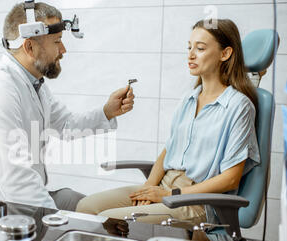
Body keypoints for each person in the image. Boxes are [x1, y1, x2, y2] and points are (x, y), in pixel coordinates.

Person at [76, 19, 260, 227]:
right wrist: (147, 190)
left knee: (110, 219)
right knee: (86, 208)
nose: (190, 54)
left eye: (200, 48)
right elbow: (169, 151)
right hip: (164, 187)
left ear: (225, 54)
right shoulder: (188, 99)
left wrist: (170, 193)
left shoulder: (238, 106)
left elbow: (230, 179)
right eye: (189, 47)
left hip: (197, 201)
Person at [0, 2, 135, 211]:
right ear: (29, 47)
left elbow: (66, 125)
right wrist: (56, 222)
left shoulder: (34, 84)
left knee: (93, 209)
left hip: (22, 199)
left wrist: (106, 111)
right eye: (57, 42)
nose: (63, 50)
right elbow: (16, 179)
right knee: (83, 220)